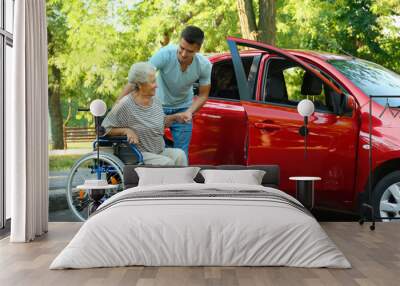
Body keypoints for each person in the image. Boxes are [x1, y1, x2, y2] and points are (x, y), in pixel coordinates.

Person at [119, 26, 212, 158]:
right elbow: (139, 78)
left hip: (183, 108)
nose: (184, 54)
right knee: (151, 150)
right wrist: (119, 103)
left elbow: (203, 95)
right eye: (182, 48)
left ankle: (179, 178)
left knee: (181, 154)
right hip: (158, 107)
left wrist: (189, 112)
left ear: (198, 49)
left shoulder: (204, 65)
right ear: (179, 42)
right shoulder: (165, 54)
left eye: (190, 51)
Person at [102, 62, 187, 166]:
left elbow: (160, 122)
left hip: (158, 151)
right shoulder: (126, 104)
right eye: (152, 82)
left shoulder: (155, 101)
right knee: (167, 163)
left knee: (180, 155)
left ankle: (182, 182)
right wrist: (126, 130)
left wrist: (175, 117)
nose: (156, 85)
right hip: (139, 155)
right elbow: (106, 128)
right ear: (139, 84)